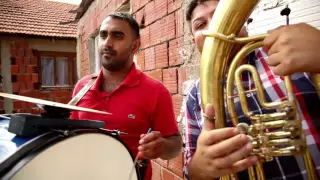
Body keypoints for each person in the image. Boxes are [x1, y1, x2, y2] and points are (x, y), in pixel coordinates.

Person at [183, 0, 320, 179]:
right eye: (201, 25)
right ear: (195, 41)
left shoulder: (290, 53)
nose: (215, 27)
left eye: (221, 17)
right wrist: (201, 167)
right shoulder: (194, 95)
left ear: (243, 21)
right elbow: (190, 172)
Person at [69, 12, 182, 180]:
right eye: (103, 35)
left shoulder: (156, 91)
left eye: (117, 36)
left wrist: (161, 146)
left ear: (135, 46)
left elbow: (175, 145)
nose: (107, 43)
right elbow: (69, 135)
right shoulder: (82, 87)